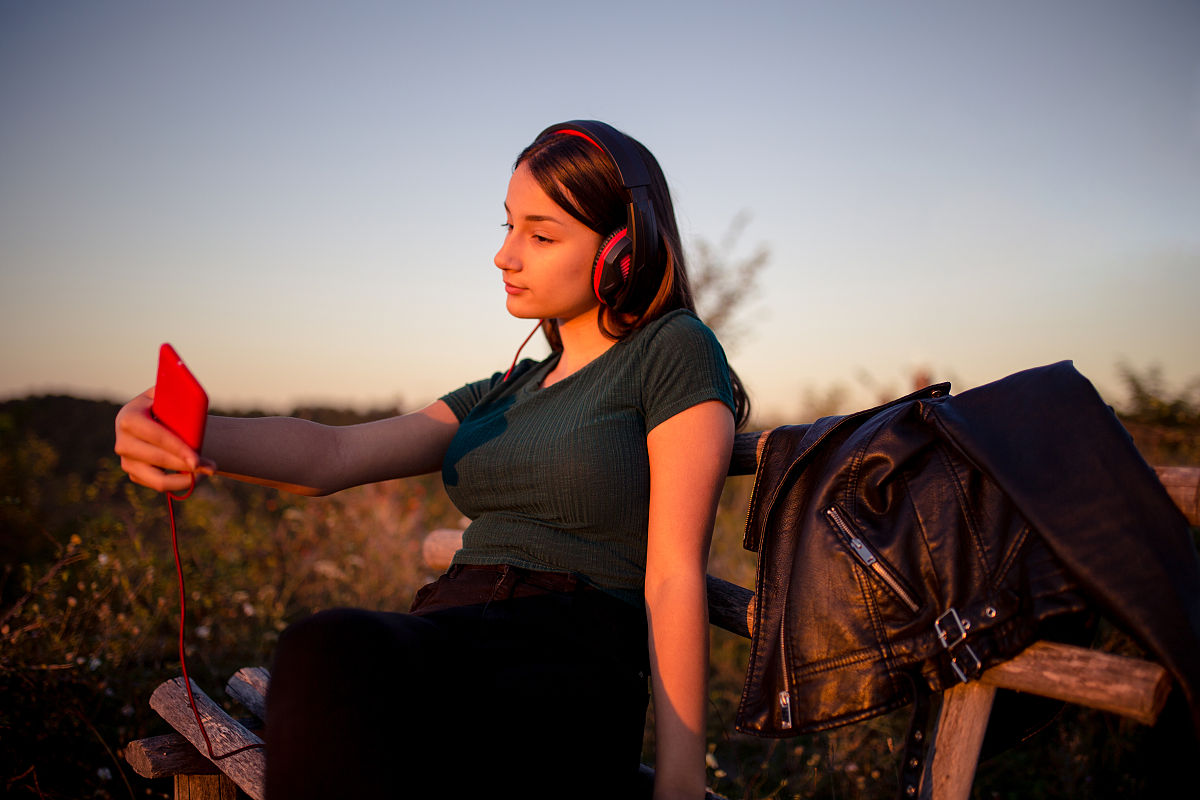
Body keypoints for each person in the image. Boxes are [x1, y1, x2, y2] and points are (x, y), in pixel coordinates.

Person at [114, 120, 751, 800]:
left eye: (540, 235)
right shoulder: (505, 390)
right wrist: (185, 431)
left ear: (622, 251)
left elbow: (674, 574)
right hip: (449, 634)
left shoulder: (672, 349)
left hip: (568, 659)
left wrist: (680, 785)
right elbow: (331, 453)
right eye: (507, 226)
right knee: (326, 646)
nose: (504, 256)